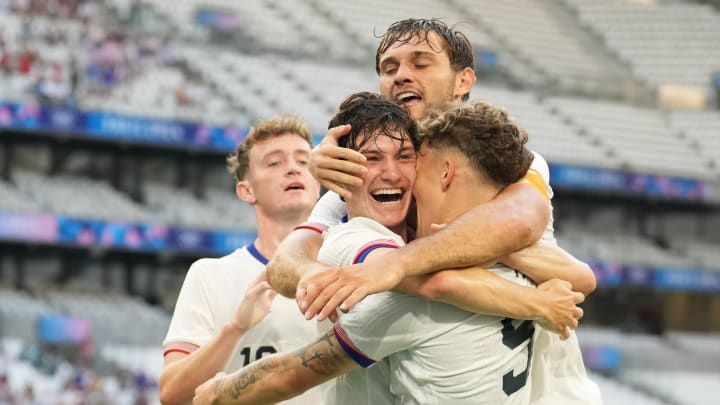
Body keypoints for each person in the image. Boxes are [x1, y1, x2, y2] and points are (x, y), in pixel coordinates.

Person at [193, 93, 585, 405]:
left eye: (408, 157)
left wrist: (220, 393)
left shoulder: (410, 272)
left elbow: (299, 370)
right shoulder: (361, 234)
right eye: (371, 159)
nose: (394, 173)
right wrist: (538, 300)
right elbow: (582, 277)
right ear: (341, 170)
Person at [267, 18, 594, 329]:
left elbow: (521, 225)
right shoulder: (377, 172)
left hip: (546, 382)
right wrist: (319, 277)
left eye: (420, 64)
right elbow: (283, 264)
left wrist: (389, 267)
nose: (401, 76)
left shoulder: (505, 159)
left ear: (463, 81)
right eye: (389, 68)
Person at [159, 114, 324, 405]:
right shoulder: (209, 275)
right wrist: (236, 327)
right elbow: (172, 394)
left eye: (303, 161)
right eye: (274, 162)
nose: (293, 169)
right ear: (246, 190)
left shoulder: (348, 267)